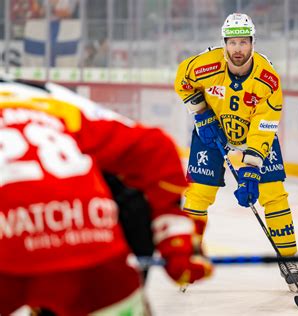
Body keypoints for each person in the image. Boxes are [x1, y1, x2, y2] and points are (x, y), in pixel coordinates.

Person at [0, 78, 213, 315]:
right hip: (94, 245)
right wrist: (175, 233)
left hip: (10, 251)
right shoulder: (51, 100)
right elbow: (156, 148)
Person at [174, 13, 298, 288]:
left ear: (253, 43)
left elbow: (264, 128)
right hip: (211, 133)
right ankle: (188, 257)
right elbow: (182, 81)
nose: (237, 50)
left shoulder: (268, 80)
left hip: (251, 138)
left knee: (273, 194)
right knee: (198, 194)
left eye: (243, 42)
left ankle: (287, 259)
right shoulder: (205, 65)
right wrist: (200, 113)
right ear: (224, 44)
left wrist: (252, 171)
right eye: (232, 43)